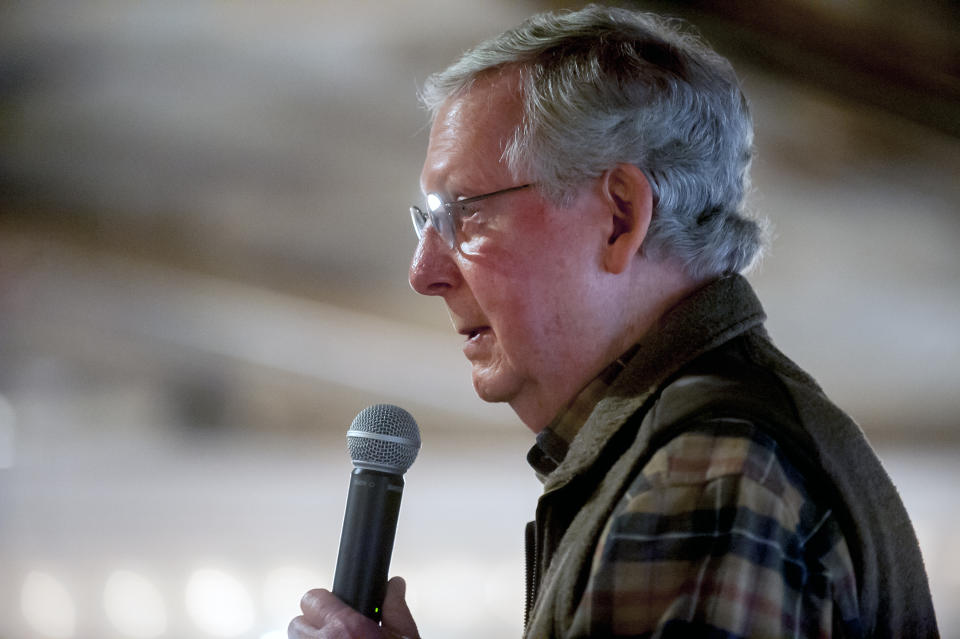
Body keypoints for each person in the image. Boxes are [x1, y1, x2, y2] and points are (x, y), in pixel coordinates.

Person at [289, 5, 938, 638]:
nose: (424, 270)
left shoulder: (703, 475)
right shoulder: (705, 451)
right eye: (426, 220)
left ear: (620, 216)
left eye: (465, 214)